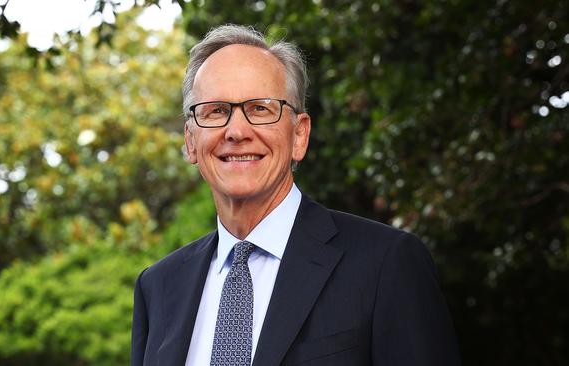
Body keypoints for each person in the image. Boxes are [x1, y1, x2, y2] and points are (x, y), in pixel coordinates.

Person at [131, 24, 461, 366]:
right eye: (216, 111)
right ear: (190, 141)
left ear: (299, 135)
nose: (237, 131)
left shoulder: (385, 264)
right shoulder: (158, 287)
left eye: (260, 108)